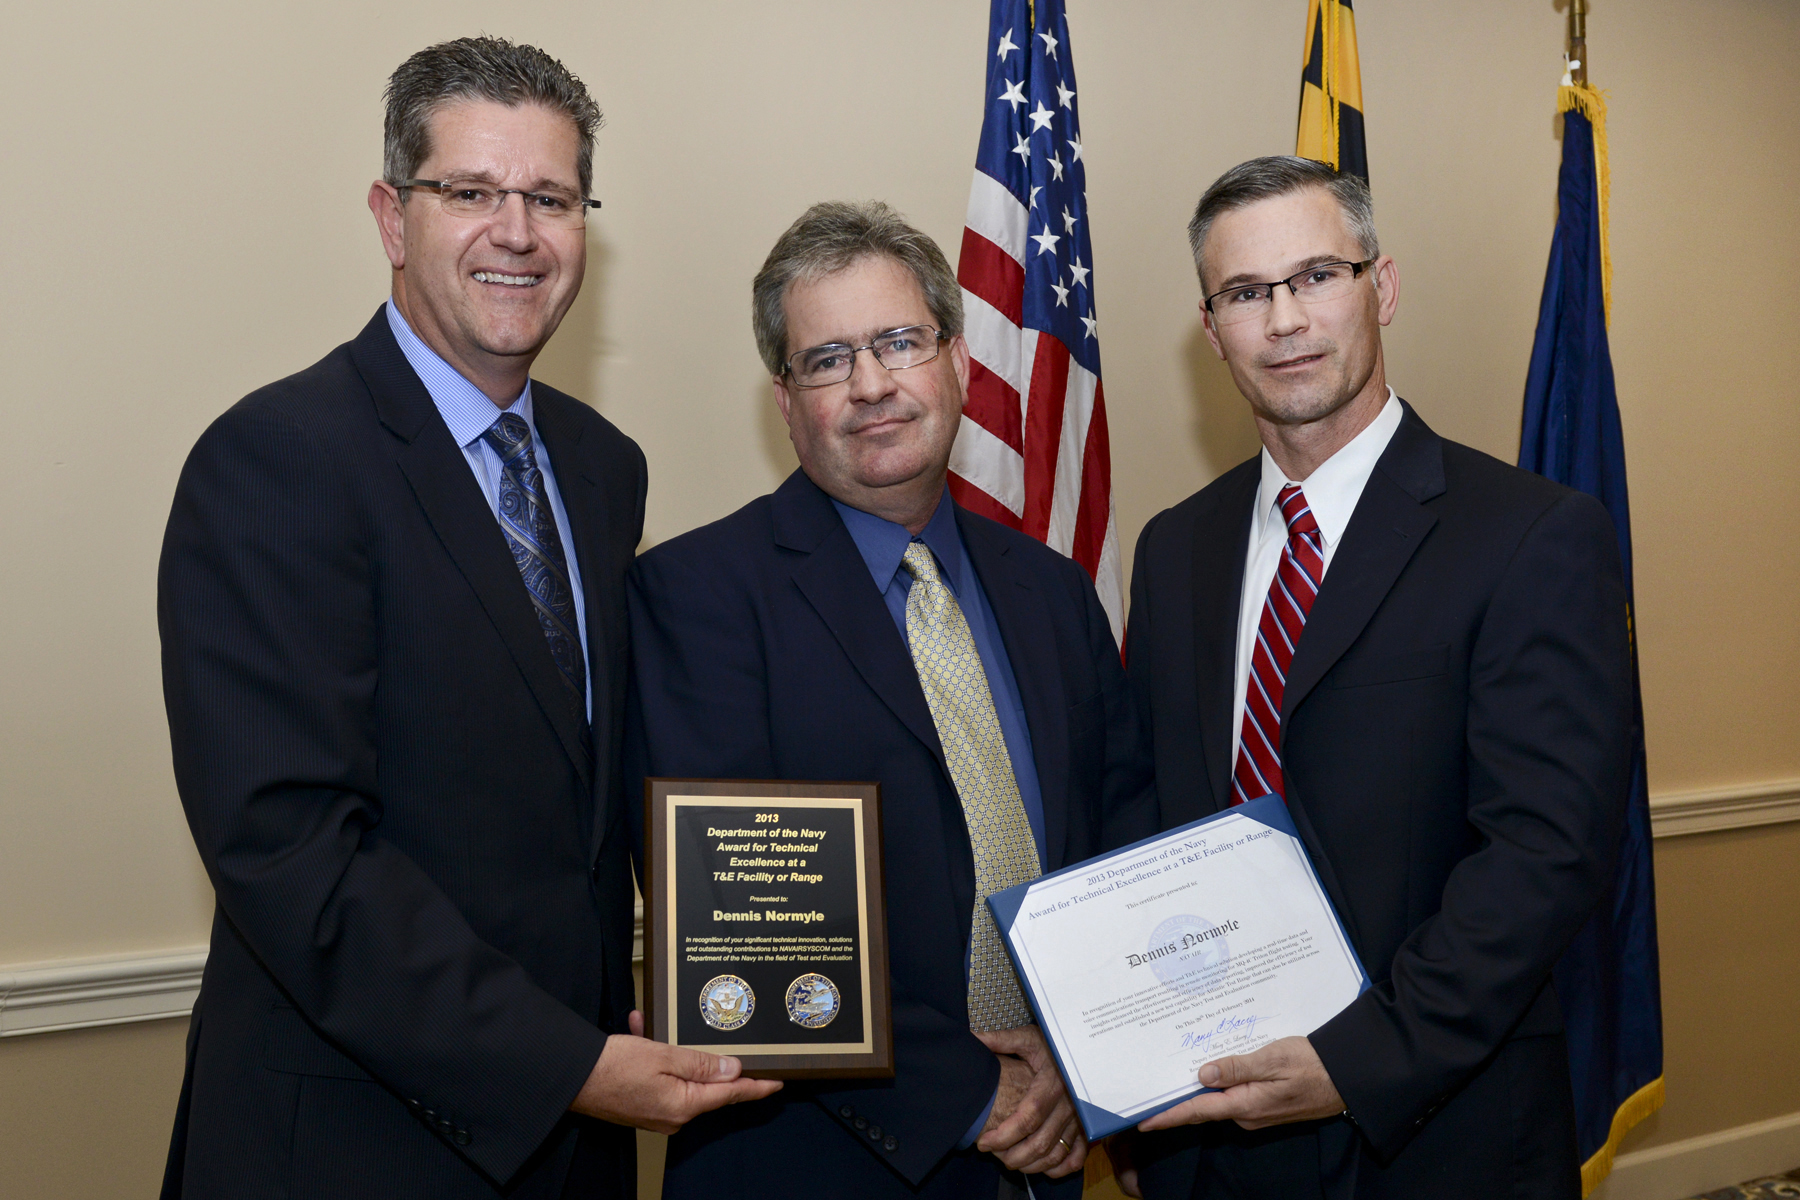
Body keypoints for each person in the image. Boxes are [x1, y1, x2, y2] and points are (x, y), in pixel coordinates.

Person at [157, 37, 775, 1200]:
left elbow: (576, 796)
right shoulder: (280, 457)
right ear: (394, 218)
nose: (518, 231)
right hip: (353, 1142)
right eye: (472, 192)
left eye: (551, 197)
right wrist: (568, 1063)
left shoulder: (601, 469)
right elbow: (290, 852)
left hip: (571, 1148)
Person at [1116, 157, 1633, 1199]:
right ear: (1209, 329)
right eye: (1246, 294)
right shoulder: (1176, 550)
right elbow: (1152, 818)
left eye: (1318, 275)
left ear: (1381, 287)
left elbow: (1547, 852)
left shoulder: (1532, 535)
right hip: (1206, 1132)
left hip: (1438, 1129)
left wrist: (1356, 1061)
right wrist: (1131, 1085)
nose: (1286, 319)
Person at [626, 200, 1155, 1199]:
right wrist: (980, 1096)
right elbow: (748, 922)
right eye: (828, 360)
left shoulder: (1050, 591)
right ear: (785, 400)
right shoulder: (698, 597)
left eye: (900, 342)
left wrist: (1087, 1064)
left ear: (956, 362)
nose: (872, 385)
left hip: (1049, 1154)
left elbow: (1121, 835)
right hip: (816, 1161)